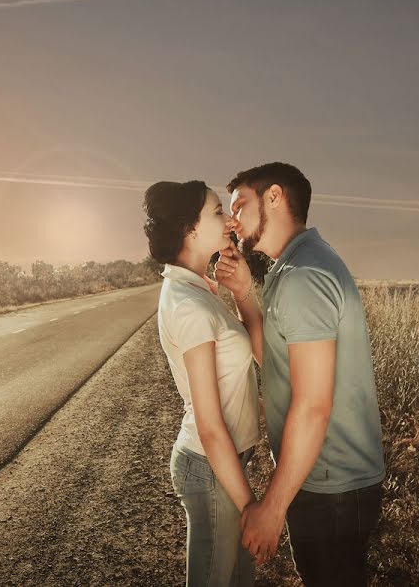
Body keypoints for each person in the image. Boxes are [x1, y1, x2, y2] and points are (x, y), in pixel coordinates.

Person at [214, 162, 386, 587]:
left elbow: (312, 406)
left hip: (333, 488)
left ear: (274, 196)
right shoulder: (290, 267)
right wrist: (243, 295)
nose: (232, 218)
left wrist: (271, 509)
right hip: (324, 479)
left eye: (240, 204)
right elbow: (271, 360)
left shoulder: (303, 276)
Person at [143, 180, 262, 587]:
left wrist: (241, 288)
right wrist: (250, 507)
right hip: (211, 468)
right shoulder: (188, 304)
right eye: (216, 212)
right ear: (190, 230)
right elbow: (211, 426)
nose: (229, 219)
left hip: (226, 464)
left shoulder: (198, 287)